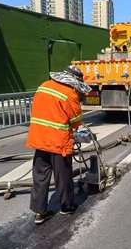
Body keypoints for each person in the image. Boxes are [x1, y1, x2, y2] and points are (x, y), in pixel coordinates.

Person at [26, 65, 91, 224]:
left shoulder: (43, 86)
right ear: (74, 82)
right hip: (58, 144)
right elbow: (76, 121)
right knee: (63, 176)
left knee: (40, 176)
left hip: (39, 140)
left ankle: (39, 212)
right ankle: (67, 206)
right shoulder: (69, 94)